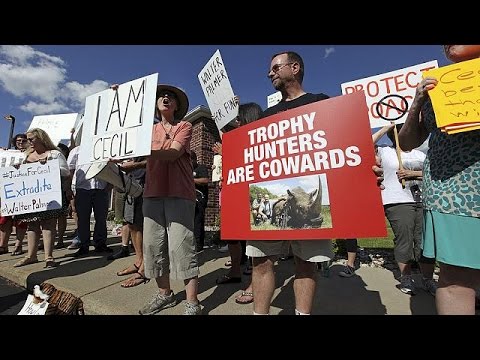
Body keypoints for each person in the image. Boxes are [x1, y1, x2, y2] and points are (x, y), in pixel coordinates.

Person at [246, 51, 333, 315]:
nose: (269, 73)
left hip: (307, 191)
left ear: (294, 68)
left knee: (306, 263)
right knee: (260, 261)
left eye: (275, 68)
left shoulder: (321, 103)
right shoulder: (266, 116)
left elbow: (338, 147)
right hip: (274, 189)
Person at [398, 45, 480, 314]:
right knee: (456, 277)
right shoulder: (437, 84)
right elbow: (408, 142)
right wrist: (417, 104)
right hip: (453, 191)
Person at [139, 84, 201, 315]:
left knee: (181, 246)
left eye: (171, 97)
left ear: (176, 106)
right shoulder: (147, 131)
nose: (166, 98)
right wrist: (118, 97)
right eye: (162, 96)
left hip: (179, 192)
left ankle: (192, 302)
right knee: (153, 246)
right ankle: (164, 294)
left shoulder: (184, 126)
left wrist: (140, 150)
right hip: (152, 193)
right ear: (155, 105)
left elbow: (173, 153)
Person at [374, 122, 436, 296]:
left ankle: (427, 279)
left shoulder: (420, 154)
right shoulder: (385, 151)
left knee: (425, 241)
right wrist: (386, 127)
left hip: (424, 200)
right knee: (405, 239)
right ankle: (406, 277)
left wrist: (414, 174)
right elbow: (366, 144)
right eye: (401, 131)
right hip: (397, 200)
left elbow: (432, 173)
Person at [214, 102, 263, 306]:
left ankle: (254, 283)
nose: (236, 122)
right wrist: (223, 108)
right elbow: (222, 131)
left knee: (253, 240)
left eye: (239, 119)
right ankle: (235, 271)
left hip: (247, 196)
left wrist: (226, 153)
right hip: (229, 194)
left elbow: (249, 163)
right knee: (232, 237)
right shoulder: (235, 139)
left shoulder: (258, 140)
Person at [13, 128, 71, 268]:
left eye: (31, 139)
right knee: (32, 225)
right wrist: (17, 169)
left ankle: (48, 257)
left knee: (48, 224)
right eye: (28, 139)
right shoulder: (26, 156)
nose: (29, 142)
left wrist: (49, 166)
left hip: (50, 195)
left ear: (41, 138)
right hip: (32, 195)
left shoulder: (54, 154)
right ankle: (31, 256)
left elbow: (66, 172)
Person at [67, 144, 112, 257]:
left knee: (101, 218)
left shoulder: (105, 147)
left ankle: (100, 243)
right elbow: (70, 170)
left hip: (101, 188)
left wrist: (110, 184)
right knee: (83, 219)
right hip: (82, 188)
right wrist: (70, 187)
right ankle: (83, 245)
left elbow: (112, 167)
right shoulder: (76, 150)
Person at [191, 150, 209, 252]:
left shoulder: (201, 168)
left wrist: (190, 179)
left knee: (198, 222)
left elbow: (206, 180)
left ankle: (199, 245)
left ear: (194, 159)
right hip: (189, 199)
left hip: (200, 199)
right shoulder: (187, 169)